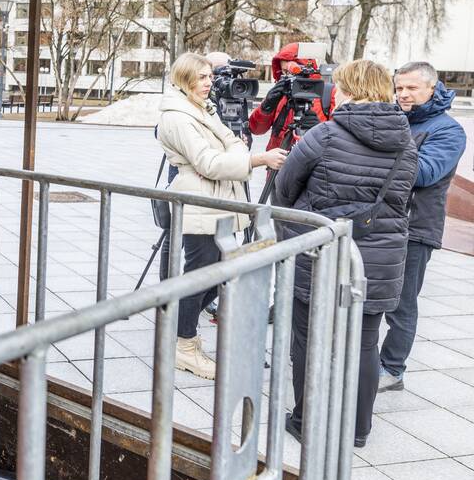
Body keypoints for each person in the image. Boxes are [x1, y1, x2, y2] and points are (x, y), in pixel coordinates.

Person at [273, 59, 417, 448]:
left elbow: (284, 191)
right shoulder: (405, 141)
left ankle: (306, 420)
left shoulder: (325, 134)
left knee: (307, 335)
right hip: (378, 257)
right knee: (365, 341)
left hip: (321, 252)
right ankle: (357, 429)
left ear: (349, 89)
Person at [157, 53, 288, 379]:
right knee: (201, 274)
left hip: (217, 199)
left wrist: (238, 153)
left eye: (209, 76)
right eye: (201, 77)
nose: (209, 82)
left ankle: (179, 331)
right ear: (185, 79)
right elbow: (208, 163)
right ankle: (184, 345)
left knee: (219, 274)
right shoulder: (178, 116)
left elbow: (233, 141)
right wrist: (257, 159)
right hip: (201, 201)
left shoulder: (202, 108)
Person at [379, 62, 467, 391]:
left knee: (402, 303)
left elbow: (424, 173)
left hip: (416, 228)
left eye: (411, 88)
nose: (402, 94)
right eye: (399, 88)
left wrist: (380, 148)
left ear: (432, 88)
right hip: (382, 223)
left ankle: (392, 368)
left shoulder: (448, 130)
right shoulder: (396, 119)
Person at [249, 42, 333, 150]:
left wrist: (319, 129)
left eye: (292, 72)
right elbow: (256, 129)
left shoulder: (327, 94)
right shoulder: (281, 94)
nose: (288, 76)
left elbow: (339, 141)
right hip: (278, 162)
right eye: (284, 72)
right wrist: (266, 107)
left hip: (310, 161)